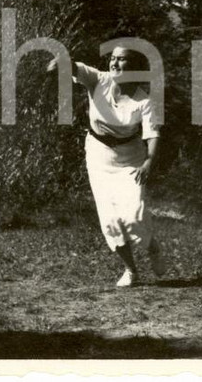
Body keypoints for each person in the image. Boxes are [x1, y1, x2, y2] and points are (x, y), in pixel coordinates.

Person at [47, 46, 167, 287]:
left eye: (121, 60)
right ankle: (131, 270)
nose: (114, 63)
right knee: (110, 220)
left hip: (130, 157)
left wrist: (148, 162)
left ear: (132, 67)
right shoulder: (99, 79)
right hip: (99, 155)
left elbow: (152, 133)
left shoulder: (144, 100)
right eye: (112, 59)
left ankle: (152, 248)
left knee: (133, 215)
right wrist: (61, 60)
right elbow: (73, 68)